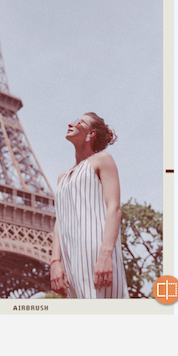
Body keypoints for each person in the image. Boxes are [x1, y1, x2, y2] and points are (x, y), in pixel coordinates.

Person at [50, 112, 129, 299]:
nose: (71, 123)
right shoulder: (62, 177)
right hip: (72, 257)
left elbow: (114, 209)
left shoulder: (103, 160)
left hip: (96, 251)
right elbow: (59, 221)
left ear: (91, 134)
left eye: (79, 122)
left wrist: (106, 254)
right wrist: (55, 261)